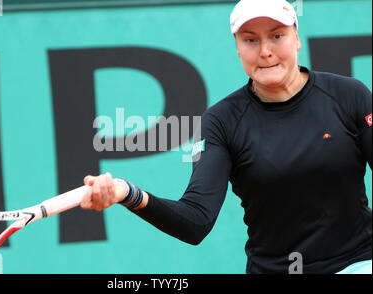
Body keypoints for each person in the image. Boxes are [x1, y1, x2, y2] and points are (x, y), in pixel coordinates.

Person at [80, 0, 372, 274]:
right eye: (250, 40)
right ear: (237, 48)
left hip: (359, 263)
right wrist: (129, 194)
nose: (265, 51)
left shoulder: (350, 96)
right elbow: (195, 221)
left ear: (296, 37)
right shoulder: (220, 122)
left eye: (276, 36)